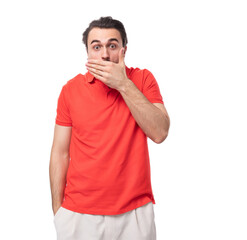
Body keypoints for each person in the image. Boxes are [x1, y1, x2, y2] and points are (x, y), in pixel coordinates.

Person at [49, 16, 170, 240]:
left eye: (112, 46)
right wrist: (59, 212)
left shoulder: (142, 80)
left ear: (124, 50)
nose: (104, 55)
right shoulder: (70, 90)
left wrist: (123, 84)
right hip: (79, 215)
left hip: (135, 214)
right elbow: (60, 153)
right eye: (96, 47)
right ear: (87, 53)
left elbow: (160, 132)